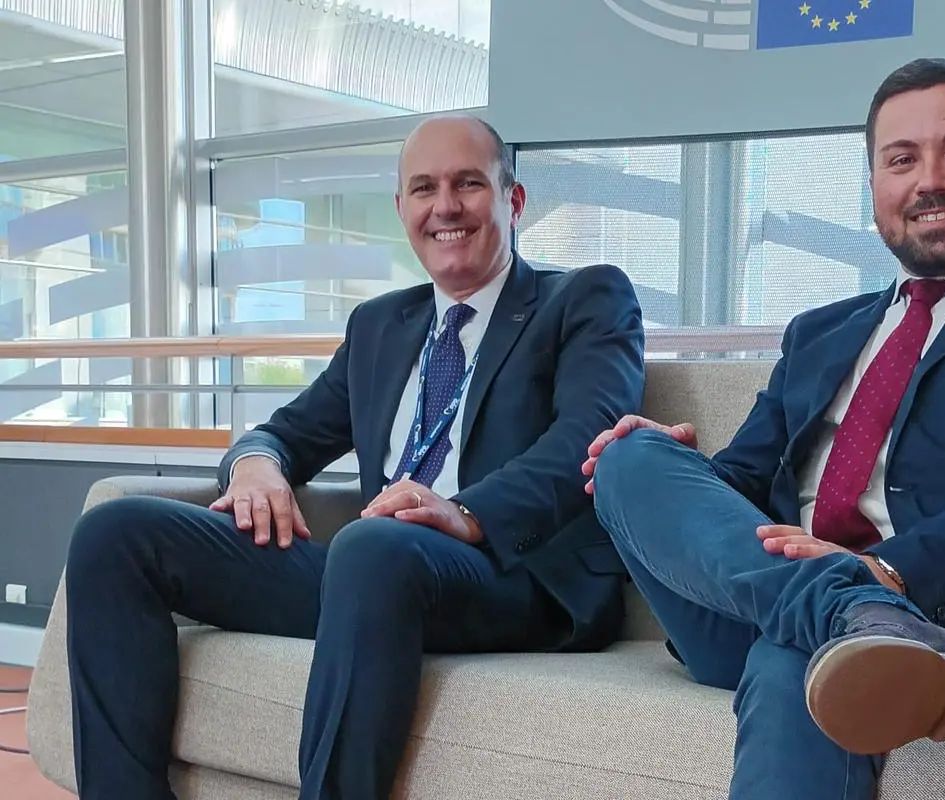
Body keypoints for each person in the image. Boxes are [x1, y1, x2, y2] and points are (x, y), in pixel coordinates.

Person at [582, 57, 945, 799]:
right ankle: (850, 610)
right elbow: (742, 481)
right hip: (757, 603)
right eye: (901, 160)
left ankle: (860, 613)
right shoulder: (819, 332)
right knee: (630, 455)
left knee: (805, 657)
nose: (929, 180)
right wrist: (678, 477)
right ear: (875, 185)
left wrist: (890, 571)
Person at [62, 114, 645, 800]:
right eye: (424, 188)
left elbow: (589, 437)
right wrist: (255, 463)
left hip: (512, 574)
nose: (445, 207)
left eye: (468, 184)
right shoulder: (380, 326)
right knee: (116, 533)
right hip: (373, 576)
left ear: (512, 201)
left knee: (372, 546)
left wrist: (464, 512)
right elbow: (287, 431)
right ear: (402, 209)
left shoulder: (583, 298)